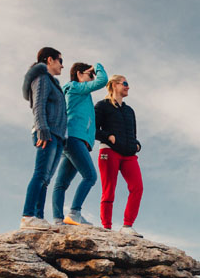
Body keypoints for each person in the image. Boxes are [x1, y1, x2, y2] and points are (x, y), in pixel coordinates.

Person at [52, 62, 108, 226]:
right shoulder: (76, 87)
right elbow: (102, 81)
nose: (92, 78)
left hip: (72, 139)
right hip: (75, 138)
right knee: (90, 176)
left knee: (61, 183)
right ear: (79, 74)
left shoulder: (76, 92)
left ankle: (57, 220)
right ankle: (74, 212)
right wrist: (97, 66)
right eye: (89, 75)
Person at [20, 47, 68, 230]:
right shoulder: (42, 78)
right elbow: (38, 106)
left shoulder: (53, 82)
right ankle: (28, 215)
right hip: (46, 133)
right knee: (40, 175)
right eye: (60, 61)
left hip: (56, 135)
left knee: (46, 179)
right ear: (50, 60)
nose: (62, 66)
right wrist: (42, 130)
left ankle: (38, 217)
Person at [93, 74, 143, 236]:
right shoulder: (102, 106)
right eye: (125, 83)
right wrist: (108, 136)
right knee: (109, 190)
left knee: (137, 188)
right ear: (114, 85)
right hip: (109, 151)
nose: (128, 87)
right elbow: (92, 129)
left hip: (128, 154)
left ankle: (127, 226)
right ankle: (106, 227)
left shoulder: (130, 111)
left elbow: (133, 133)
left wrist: (137, 145)